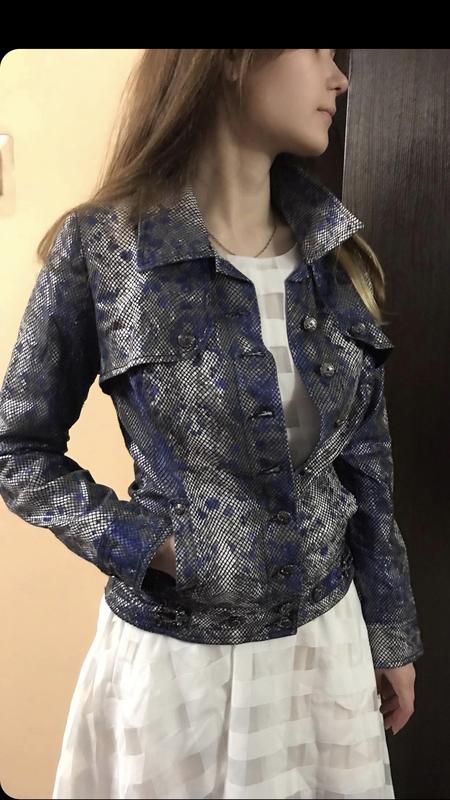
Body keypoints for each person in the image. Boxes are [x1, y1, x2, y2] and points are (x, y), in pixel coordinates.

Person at [0, 49, 423, 799]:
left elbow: (366, 466)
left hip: (324, 649)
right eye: (317, 50)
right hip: (177, 670)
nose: (339, 77)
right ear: (230, 60)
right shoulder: (104, 248)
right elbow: (18, 449)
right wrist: (149, 546)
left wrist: (392, 634)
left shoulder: (336, 255)